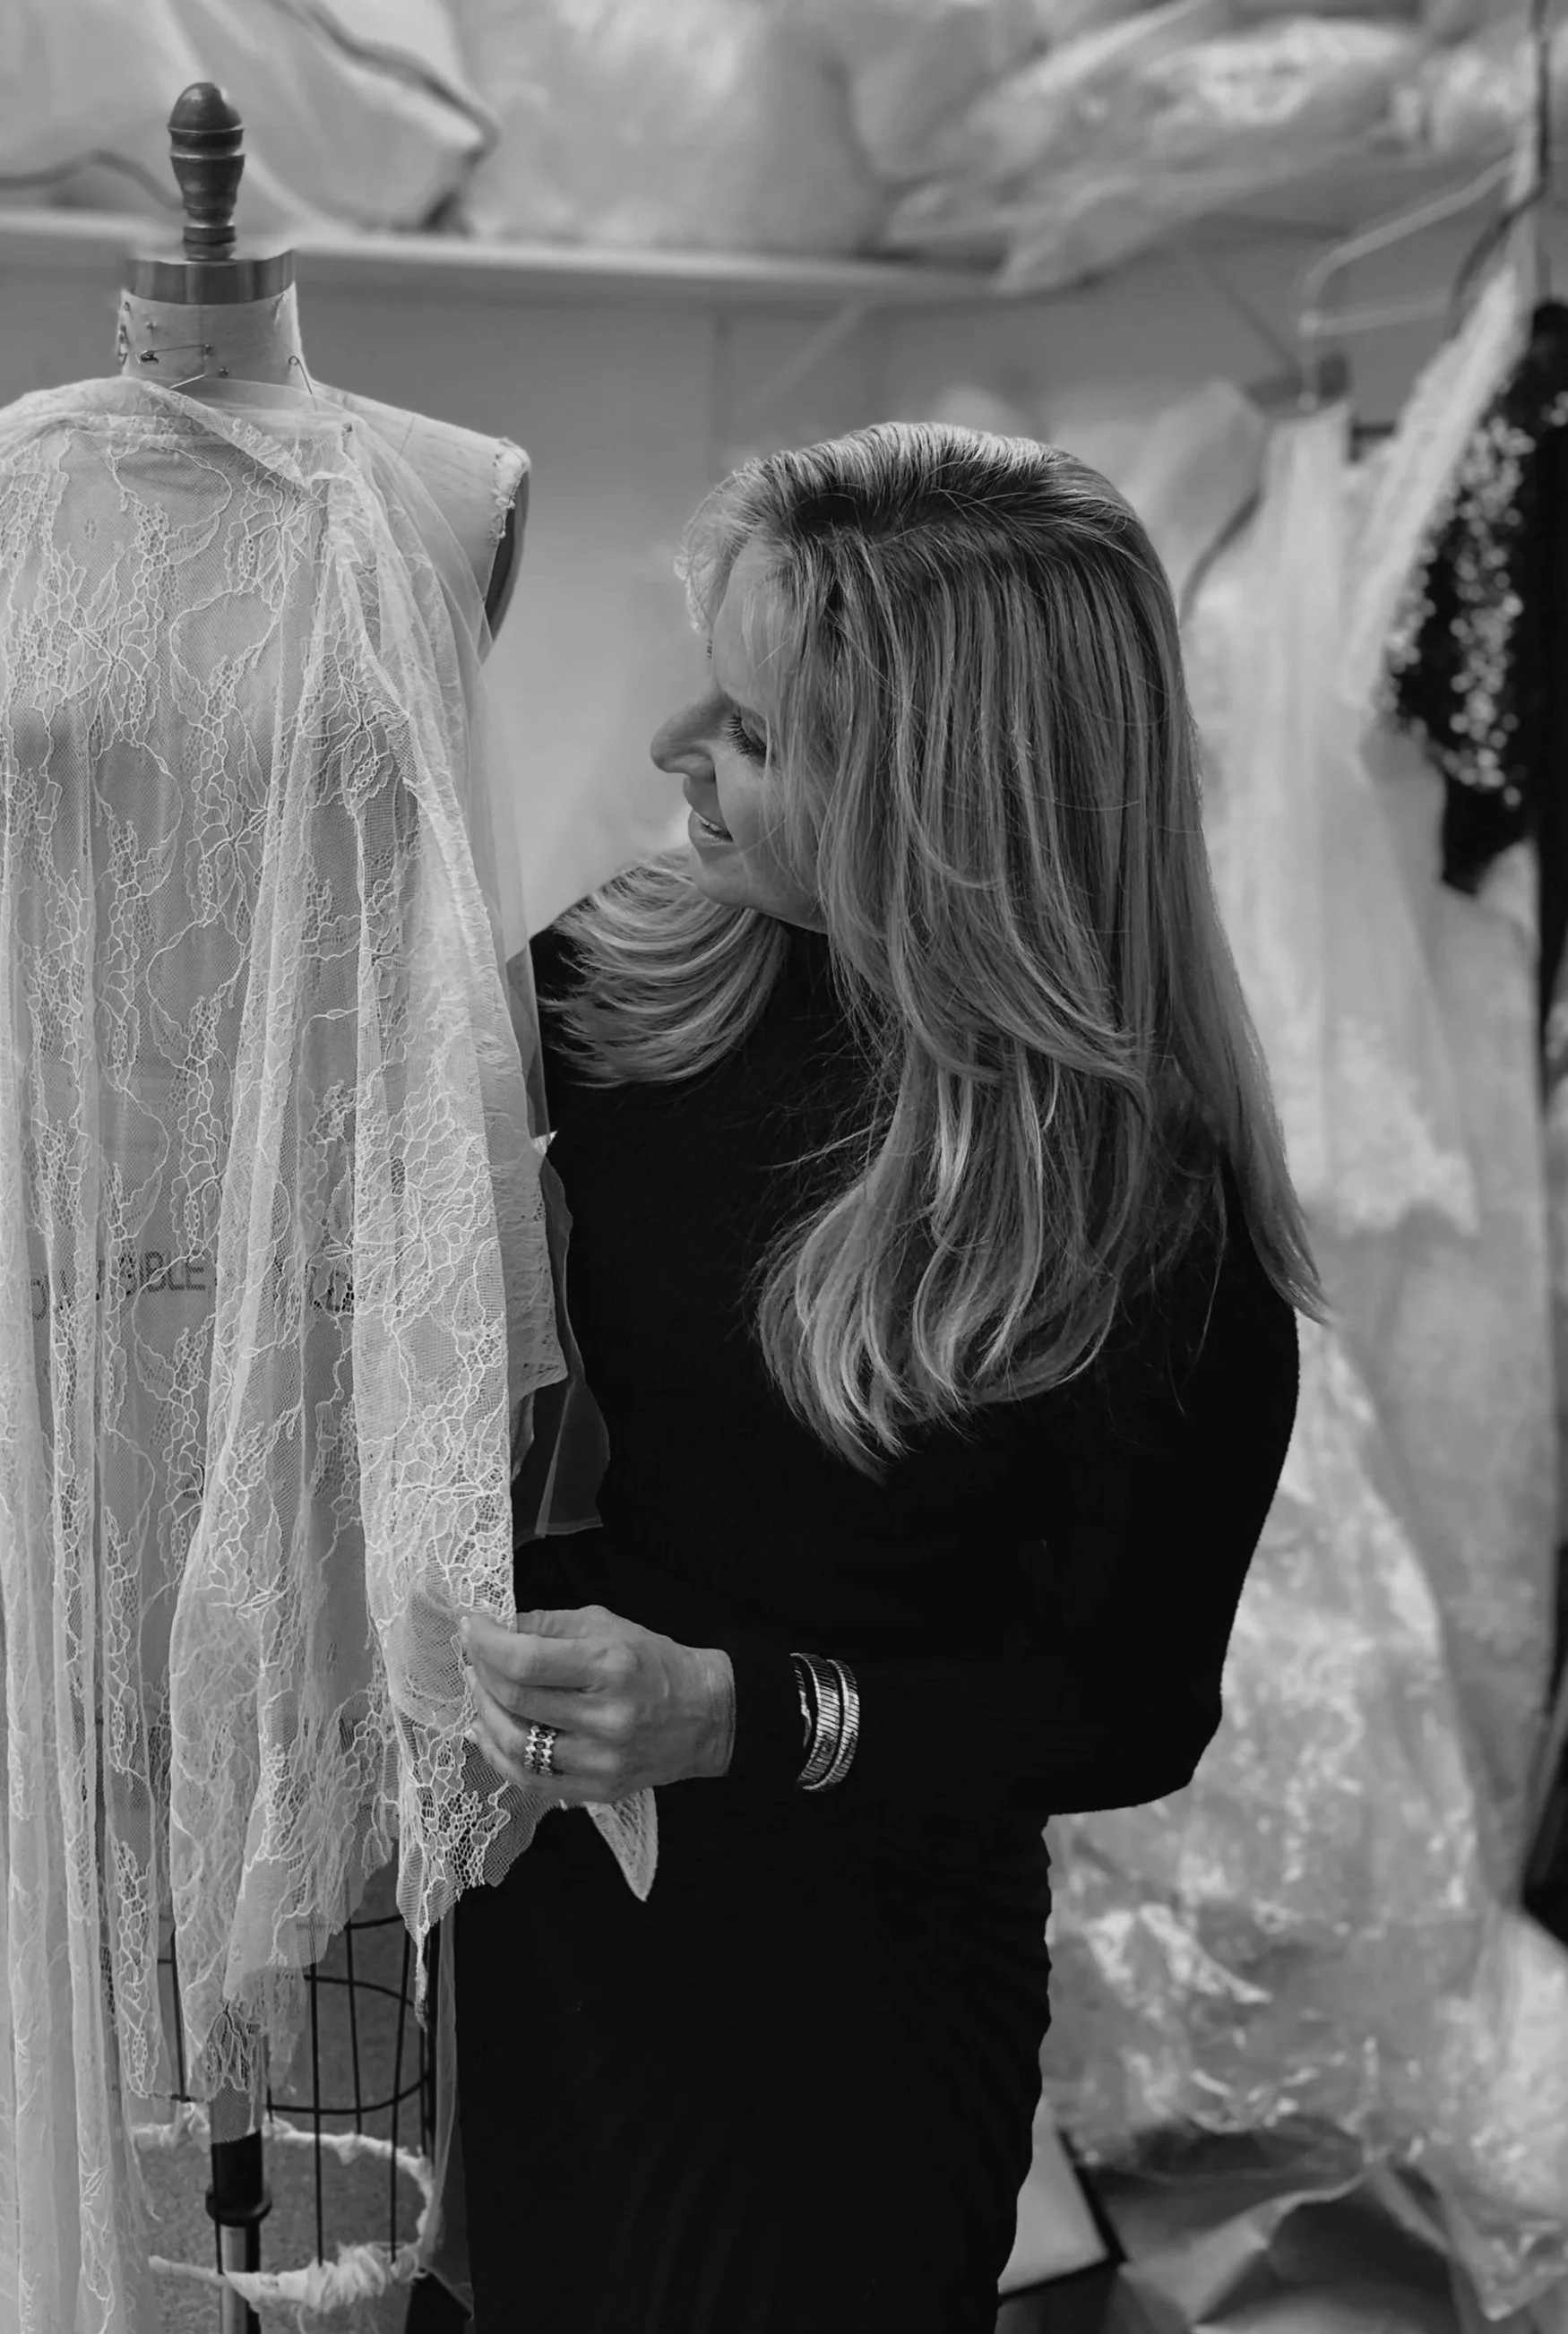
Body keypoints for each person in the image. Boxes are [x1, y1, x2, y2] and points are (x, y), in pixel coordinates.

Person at [452, 420, 1310, 2333]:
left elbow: (1121, 1714)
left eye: (751, 736)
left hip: (842, 1990)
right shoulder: (653, 973)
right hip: (566, 1898)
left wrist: (740, 1713)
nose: (677, 751)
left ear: (935, 806)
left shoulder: (1142, 1229)